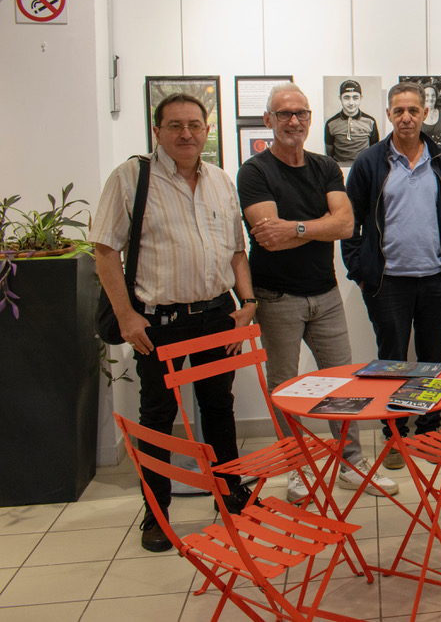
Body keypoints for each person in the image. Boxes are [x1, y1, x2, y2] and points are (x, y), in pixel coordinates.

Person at [92, 93, 255, 552]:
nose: (186, 133)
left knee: (219, 409)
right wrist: (126, 317)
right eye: (175, 125)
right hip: (158, 322)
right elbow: (105, 250)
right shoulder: (131, 178)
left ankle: (231, 495)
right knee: (157, 418)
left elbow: (237, 250)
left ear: (207, 130)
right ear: (157, 131)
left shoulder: (222, 180)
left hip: (217, 314)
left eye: (195, 125)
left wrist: (247, 302)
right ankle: (156, 513)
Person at [237, 83, 398, 500]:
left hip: (324, 294)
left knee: (343, 382)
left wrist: (294, 228)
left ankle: (350, 462)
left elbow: (345, 226)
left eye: (301, 113)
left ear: (310, 119)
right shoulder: (254, 172)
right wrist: (316, 226)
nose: (294, 121)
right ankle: (296, 468)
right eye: (284, 114)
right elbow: (266, 238)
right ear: (269, 120)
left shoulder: (326, 166)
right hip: (276, 297)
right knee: (285, 386)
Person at [343, 81, 441, 459]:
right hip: (387, 281)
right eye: (399, 111)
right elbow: (350, 222)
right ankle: (394, 434)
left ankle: (429, 431)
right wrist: (360, 270)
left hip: (434, 279)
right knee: (391, 363)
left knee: (432, 361)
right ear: (389, 114)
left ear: (425, 113)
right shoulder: (369, 162)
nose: (407, 118)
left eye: (414, 111)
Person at [324, 79, 380, 163]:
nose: (351, 102)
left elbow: (375, 149)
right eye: (346, 98)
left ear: (361, 98)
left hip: (364, 166)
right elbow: (329, 154)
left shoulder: (370, 121)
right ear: (340, 98)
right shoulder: (330, 123)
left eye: (355, 98)